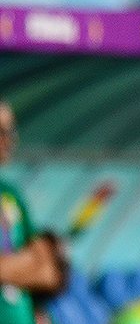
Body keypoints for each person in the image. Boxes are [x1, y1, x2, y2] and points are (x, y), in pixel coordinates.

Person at [0, 101, 67, 324]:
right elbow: (38, 265)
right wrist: (26, 265)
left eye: (11, 131)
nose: (10, 139)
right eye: (1, 131)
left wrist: (7, 267)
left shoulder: (10, 193)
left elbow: (49, 272)